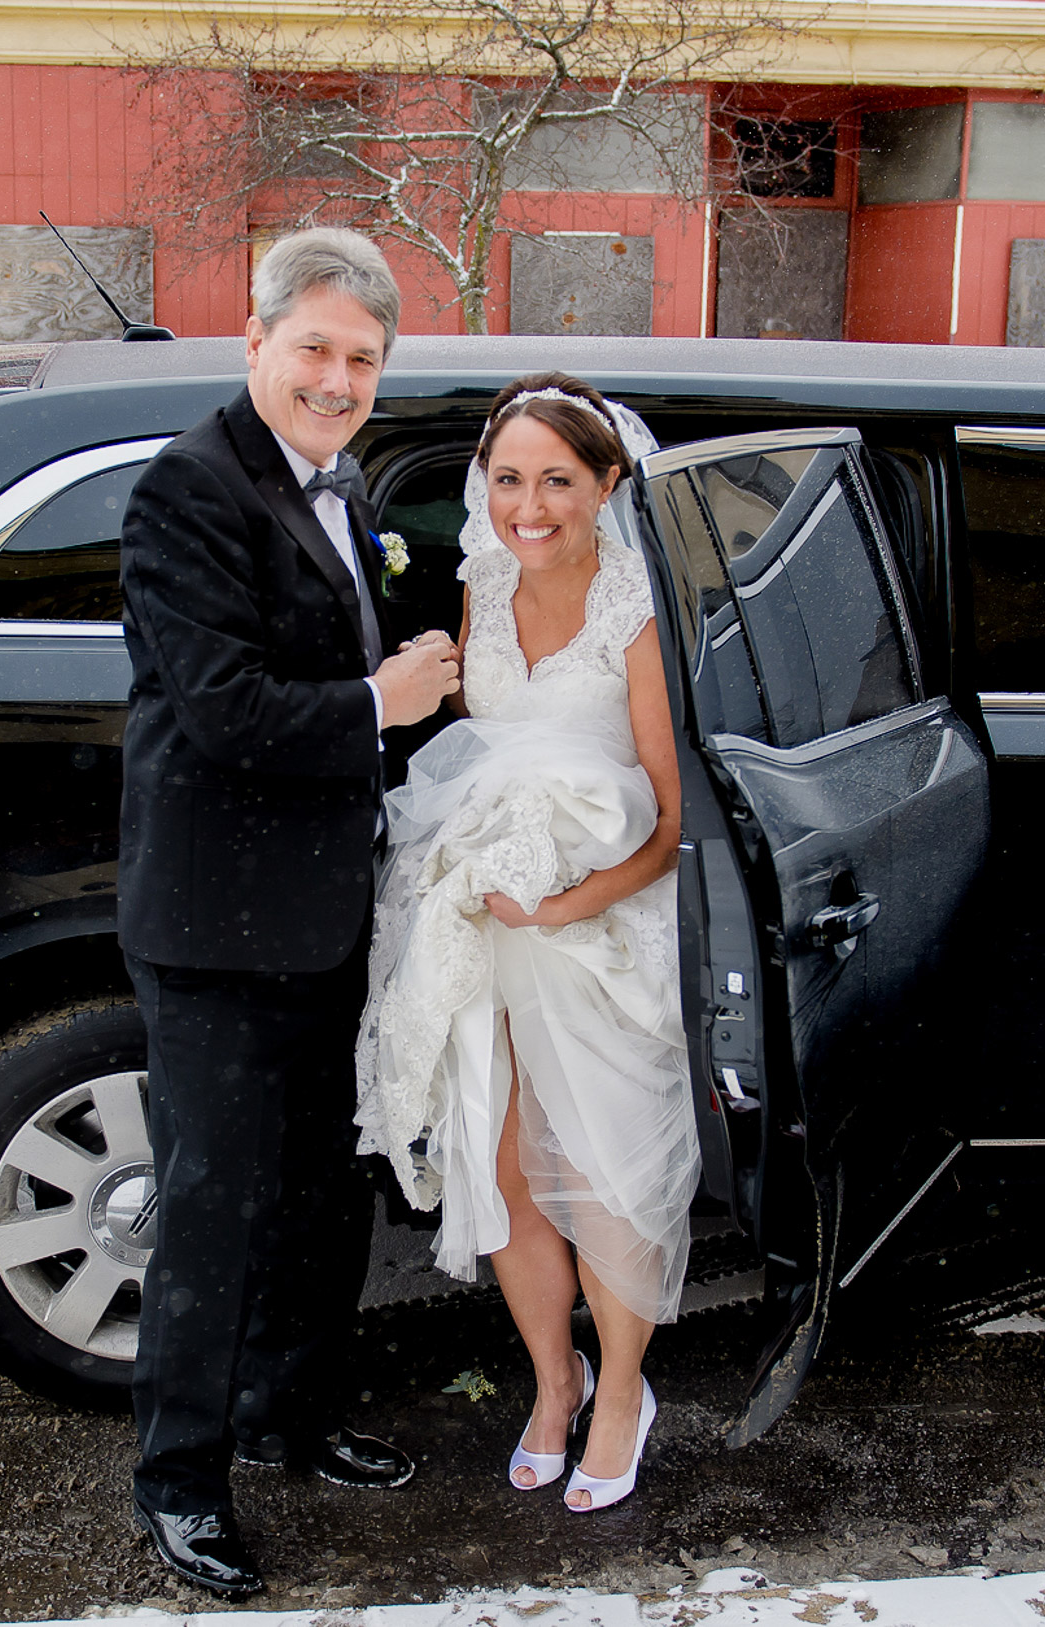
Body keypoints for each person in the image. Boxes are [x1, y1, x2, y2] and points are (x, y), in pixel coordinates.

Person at [117, 228, 462, 1595]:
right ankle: (180, 1479)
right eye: (313, 348)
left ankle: (292, 1414)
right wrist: (384, 702)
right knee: (213, 1204)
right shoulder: (188, 491)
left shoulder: (346, 478)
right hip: (215, 922)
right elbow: (220, 708)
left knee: (322, 1190)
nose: (336, 376)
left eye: (361, 357)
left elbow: (343, 635)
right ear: (254, 341)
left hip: (323, 908)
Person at [355, 372, 699, 1514]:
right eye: (508, 478)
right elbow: (483, 750)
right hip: (485, 920)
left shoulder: (637, 611)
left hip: (598, 925)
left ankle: (622, 1396)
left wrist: (565, 904)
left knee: (602, 1174)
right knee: (501, 1169)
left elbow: (667, 817)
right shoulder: (481, 588)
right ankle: (556, 1381)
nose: (528, 505)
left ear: (608, 484)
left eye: (558, 478)